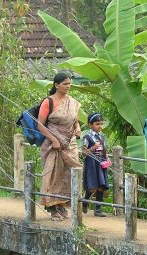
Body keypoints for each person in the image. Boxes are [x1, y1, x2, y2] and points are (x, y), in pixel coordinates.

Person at [37, 72, 82, 221]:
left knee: (69, 173)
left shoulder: (73, 102)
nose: (68, 86)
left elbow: (75, 121)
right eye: (65, 84)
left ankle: (62, 203)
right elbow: (40, 125)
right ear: (56, 85)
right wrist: (53, 140)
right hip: (52, 145)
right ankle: (51, 206)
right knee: (53, 175)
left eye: (69, 84)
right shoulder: (48, 102)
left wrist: (78, 128)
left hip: (70, 144)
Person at [82, 113, 109, 217]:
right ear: (90, 125)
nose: (100, 126)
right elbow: (84, 153)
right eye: (97, 124)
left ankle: (98, 210)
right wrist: (93, 147)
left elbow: (103, 149)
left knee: (101, 186)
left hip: (100, 162)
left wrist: (106, 158)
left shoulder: (101, 136)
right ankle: (85, 201)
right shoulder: (87, 137)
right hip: (91, 163)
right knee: (92, 187)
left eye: (101, 124)